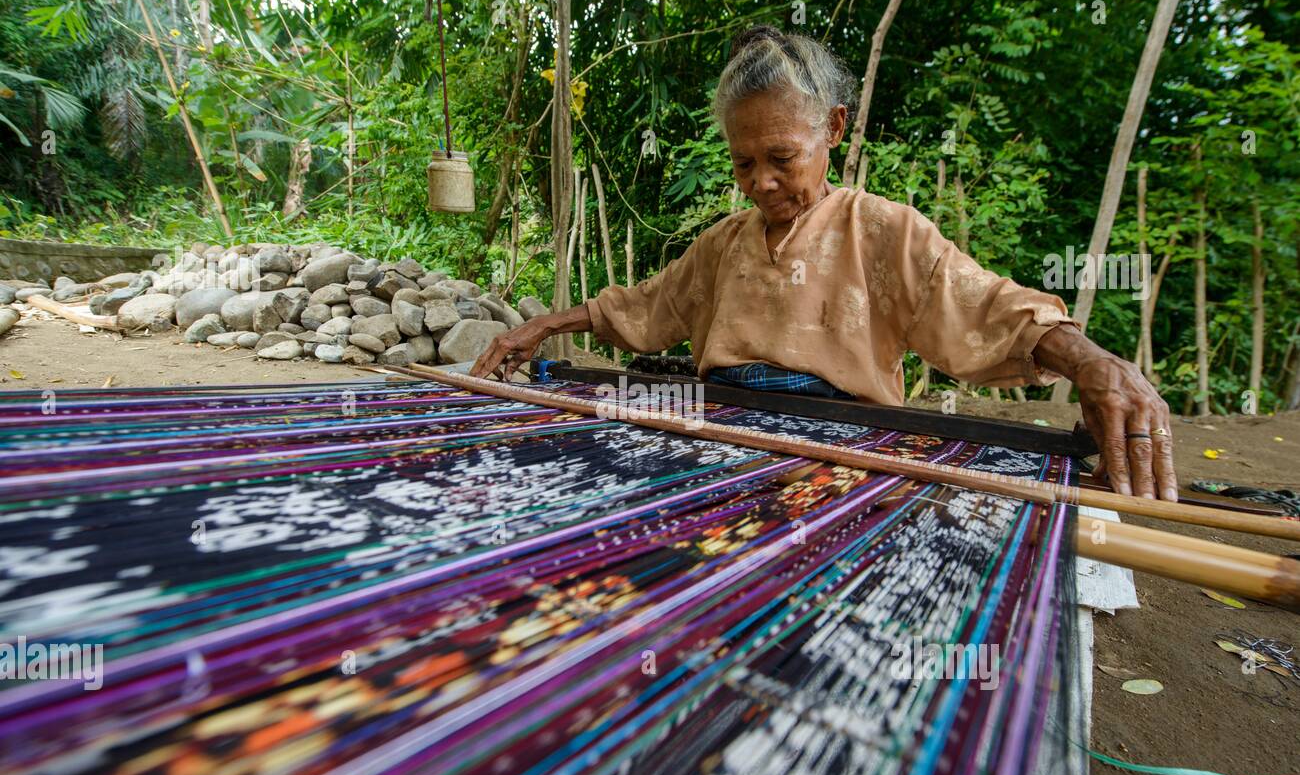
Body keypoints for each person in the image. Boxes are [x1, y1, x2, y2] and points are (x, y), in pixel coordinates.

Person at [472, 25, 1176, 501]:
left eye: (782, 158)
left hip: (850, 452)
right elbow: (644, 307)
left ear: (833, 128)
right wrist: (536, 327)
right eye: (744, 164)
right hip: (722, 429)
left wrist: (1090, 362)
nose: (762, 183)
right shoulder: (725, 243)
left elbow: (984, 304)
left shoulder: (881, 231)